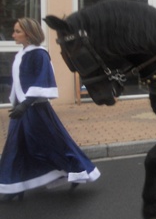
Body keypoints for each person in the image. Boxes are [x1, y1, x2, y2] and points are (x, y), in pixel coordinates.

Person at [0, 18, 100, 202]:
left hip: (36, 111)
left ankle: (78, 170)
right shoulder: (22, 53)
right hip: (22, 111)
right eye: (14, 31)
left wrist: (25, 104)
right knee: (16, 147)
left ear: (29, 34)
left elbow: (43, 79)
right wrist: (18, 104)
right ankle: (16, 186)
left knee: (53, 144)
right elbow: (19, 81)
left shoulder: (39, 54)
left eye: (17, 31)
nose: (13, 35)